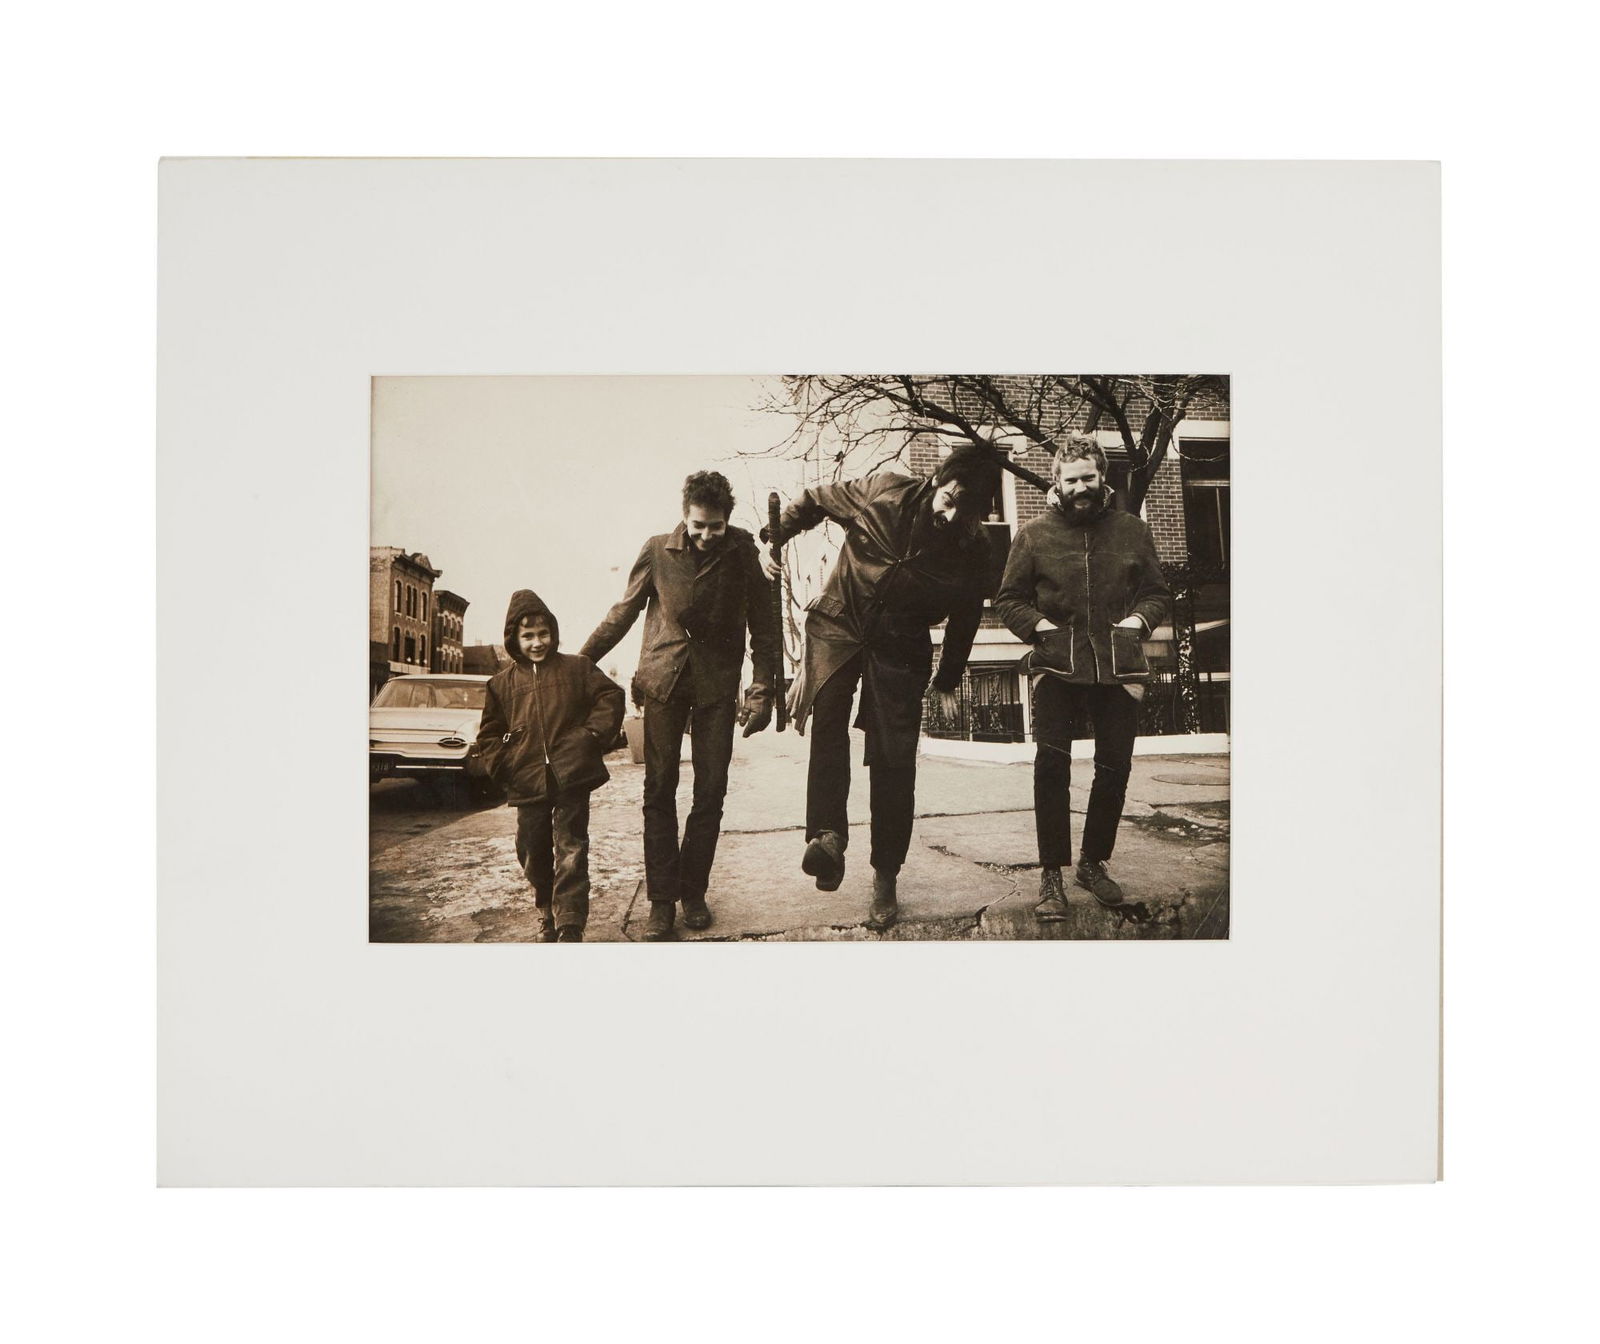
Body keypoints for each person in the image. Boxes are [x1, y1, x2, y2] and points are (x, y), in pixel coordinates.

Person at [762, 448, 998, 931]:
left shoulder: (971, 550)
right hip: (839, 623)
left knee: (893, 758)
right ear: (937, 479)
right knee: (828, 721)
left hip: (901, 646)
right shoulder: (884, 490)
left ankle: (885, 874)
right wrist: (779, 531)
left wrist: (949, 677)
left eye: (963, 511)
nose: (947, 514)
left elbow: (967, 618)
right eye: (948, 498)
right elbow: (815, 499)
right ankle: (827, 838)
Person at [580, 471, 778, 941]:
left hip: (715, 687)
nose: (707, 535)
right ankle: (661, 902)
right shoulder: (657, 551)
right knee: (659, 790)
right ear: (684, 515)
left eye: (716, 526)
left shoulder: (743, 553)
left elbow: (765, 629)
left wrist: (762, 688)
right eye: (698, 525)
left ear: (727, 520)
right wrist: (581, 661)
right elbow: (623, 612)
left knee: (711, 791)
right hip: (662, 682)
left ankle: (694, 892)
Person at [995, 437, 1171, 917]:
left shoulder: (1132, 531)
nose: (1080, 487)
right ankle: (1052, 876)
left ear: (1102, 478)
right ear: (1057, 483)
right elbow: (1009, 599)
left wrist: (1137, 624)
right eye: (1071, 479)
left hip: (1118, 666)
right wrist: (1042, 628)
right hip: (1057, 666)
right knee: (1051, 769)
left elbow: (1155, 593)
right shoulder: (1033, 534)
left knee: (1114, 767)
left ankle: (1093, 863)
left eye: (1088, 478)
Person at [476, 589, 625, 943]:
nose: (537, 642)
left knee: (572, 849)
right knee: (531, 850)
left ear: (553, 633)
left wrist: (589, 736)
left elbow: (611, 696)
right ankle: (546, 910)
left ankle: (569, 923)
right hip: (527, 781)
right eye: (528, 636)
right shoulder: (501, 685)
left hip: (572, 776)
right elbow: (490, 735)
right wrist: (506, 762)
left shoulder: (577, 668)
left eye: (543, 634)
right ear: (514, 639)